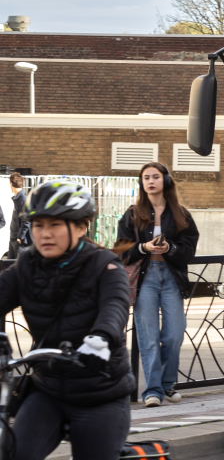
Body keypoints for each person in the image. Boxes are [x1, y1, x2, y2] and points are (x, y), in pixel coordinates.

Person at [0, 181, 135, 460]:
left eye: (55, 225)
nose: (45, 234)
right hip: (47, 389)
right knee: (15, 453)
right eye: (38, 226)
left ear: (81, 227)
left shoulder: (105, 265)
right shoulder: (26, 266)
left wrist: (101, 339)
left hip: (100, 392)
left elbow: (115, 305)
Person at [115, 163, 198, 408]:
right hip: (145, 278)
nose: (150, 181)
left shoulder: (180, 213)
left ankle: (166, 384)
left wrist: (169, 248)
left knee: (173, 334)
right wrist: (144, 247)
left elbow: (189, 249)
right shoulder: (132, 213)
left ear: (166, 180)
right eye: (146, 178)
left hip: (171, 277)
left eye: (155, 177)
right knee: (148, 336)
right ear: (142, 183)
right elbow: (121, 249)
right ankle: (153, 391)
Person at [6, 173, 29, 260]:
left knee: (20, 267)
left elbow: (26, 220)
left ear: (11, 184)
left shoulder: (22, 199)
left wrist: (20, 237)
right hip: (13, 238)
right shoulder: (17, 199)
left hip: (19, 241)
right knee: (9, 265)